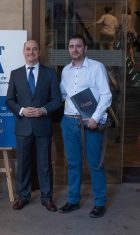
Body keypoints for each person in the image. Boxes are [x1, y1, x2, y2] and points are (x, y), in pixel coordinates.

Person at [59, 34, 112, 218]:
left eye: (78, 46)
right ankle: (73, 200)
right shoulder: (65, 70)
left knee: (95, 164)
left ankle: (99, 202)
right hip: (68, 122)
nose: (74, 49)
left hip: (89, 123)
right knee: (73, 163)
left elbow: (106, 95)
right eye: (71, 46)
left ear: (85, 48)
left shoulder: (97, 67)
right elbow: (64, 94)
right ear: (68, 49)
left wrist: (95, 118)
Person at [6, 40, 62, 212]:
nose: (31, 52)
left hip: (43, 126)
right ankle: (23, 196)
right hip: (23, 126)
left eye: (35, 49)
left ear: (39, 52)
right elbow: (9, 100)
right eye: (28, 49)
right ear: (23, 52)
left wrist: (43, 110)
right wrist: (22, 110)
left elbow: (57, 100)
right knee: (22, 163)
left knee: (45, 163)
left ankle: (47, 197)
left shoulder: (50, 73)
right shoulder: (15, 74)